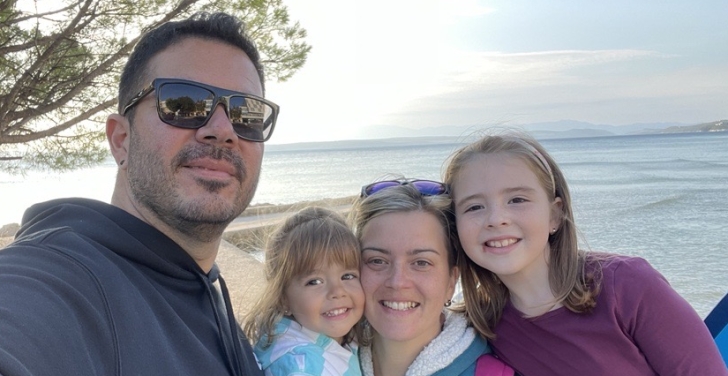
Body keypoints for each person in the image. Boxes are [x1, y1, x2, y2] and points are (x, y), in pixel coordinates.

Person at [0, 12, 279, 375]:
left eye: (246, 114)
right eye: (183, 103)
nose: (223, 130)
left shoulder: (205, 286)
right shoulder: (63, 279)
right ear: (121, 139)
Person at [443, 132, 728, 376]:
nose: (496, 218)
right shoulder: (475, 323)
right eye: (474, 207)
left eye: (517, 199)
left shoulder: (627, 286)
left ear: (555, 214)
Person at [350, 179, 503, 376]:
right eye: (377, 261)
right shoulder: (315, 358)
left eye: (421, 263)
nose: (397, 282)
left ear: (451, 281)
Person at [243, 206, 365, 376]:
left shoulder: (332, 335)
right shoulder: (300, 367)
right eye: (314, 282)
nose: (337, 291)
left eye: (347, 276)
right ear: (283, 298)